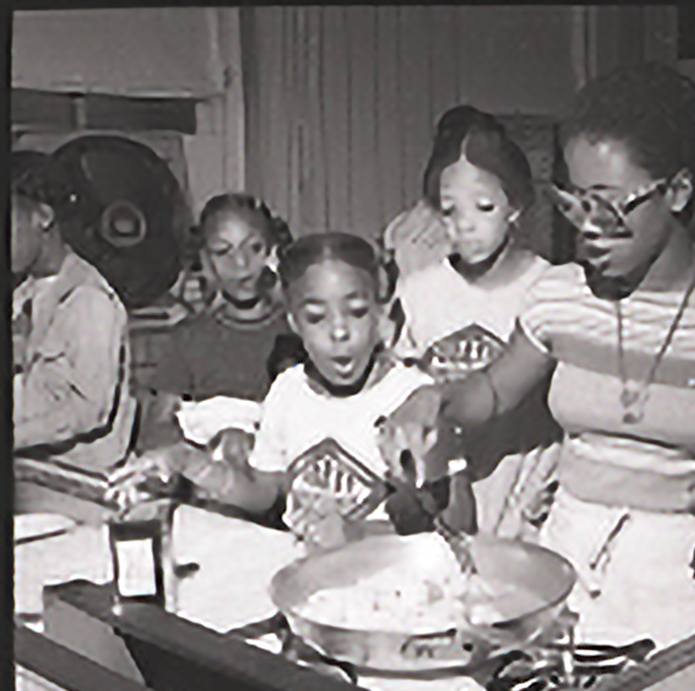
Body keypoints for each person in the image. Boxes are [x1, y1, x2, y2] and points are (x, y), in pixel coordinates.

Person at [383, 63, 695, 647]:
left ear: (679, 192)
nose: (587, 228)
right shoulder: (560, 294)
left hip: (686, 578)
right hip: (565, 568)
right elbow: (492, 391)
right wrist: (432, 399)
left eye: (607, 205)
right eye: (574, 203)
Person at [108, 233, 474, 547]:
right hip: (309, 592)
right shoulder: (288, 391)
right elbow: (262, 493)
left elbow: (459, 520)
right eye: (317, 317)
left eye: (357, 312)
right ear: (294, 322)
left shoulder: (414, 397)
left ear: (382, 313)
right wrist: (188, 461)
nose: (339, 332)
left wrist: (356, 533)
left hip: (393, 591)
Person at [386, 105, 562, 540]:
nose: (465, 225)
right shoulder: (416, 292)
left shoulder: (547, 286)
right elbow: (396, 384)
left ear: (515, 206)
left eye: (484, 207)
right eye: (449, 211)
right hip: (448, 493)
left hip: (529, 489)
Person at [12, 151, 136, 521]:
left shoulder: (90, 301)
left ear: (43, 216)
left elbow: (88, 411)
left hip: (79, 492)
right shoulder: (23, 294)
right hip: (31, 478)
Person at [149, 193, 297, 403]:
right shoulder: (188, 339)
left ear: (273, 249)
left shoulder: (300, 330)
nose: (240, 263)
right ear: (204, 259)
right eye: (222, 251)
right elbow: (158, 427)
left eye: (253, 248)